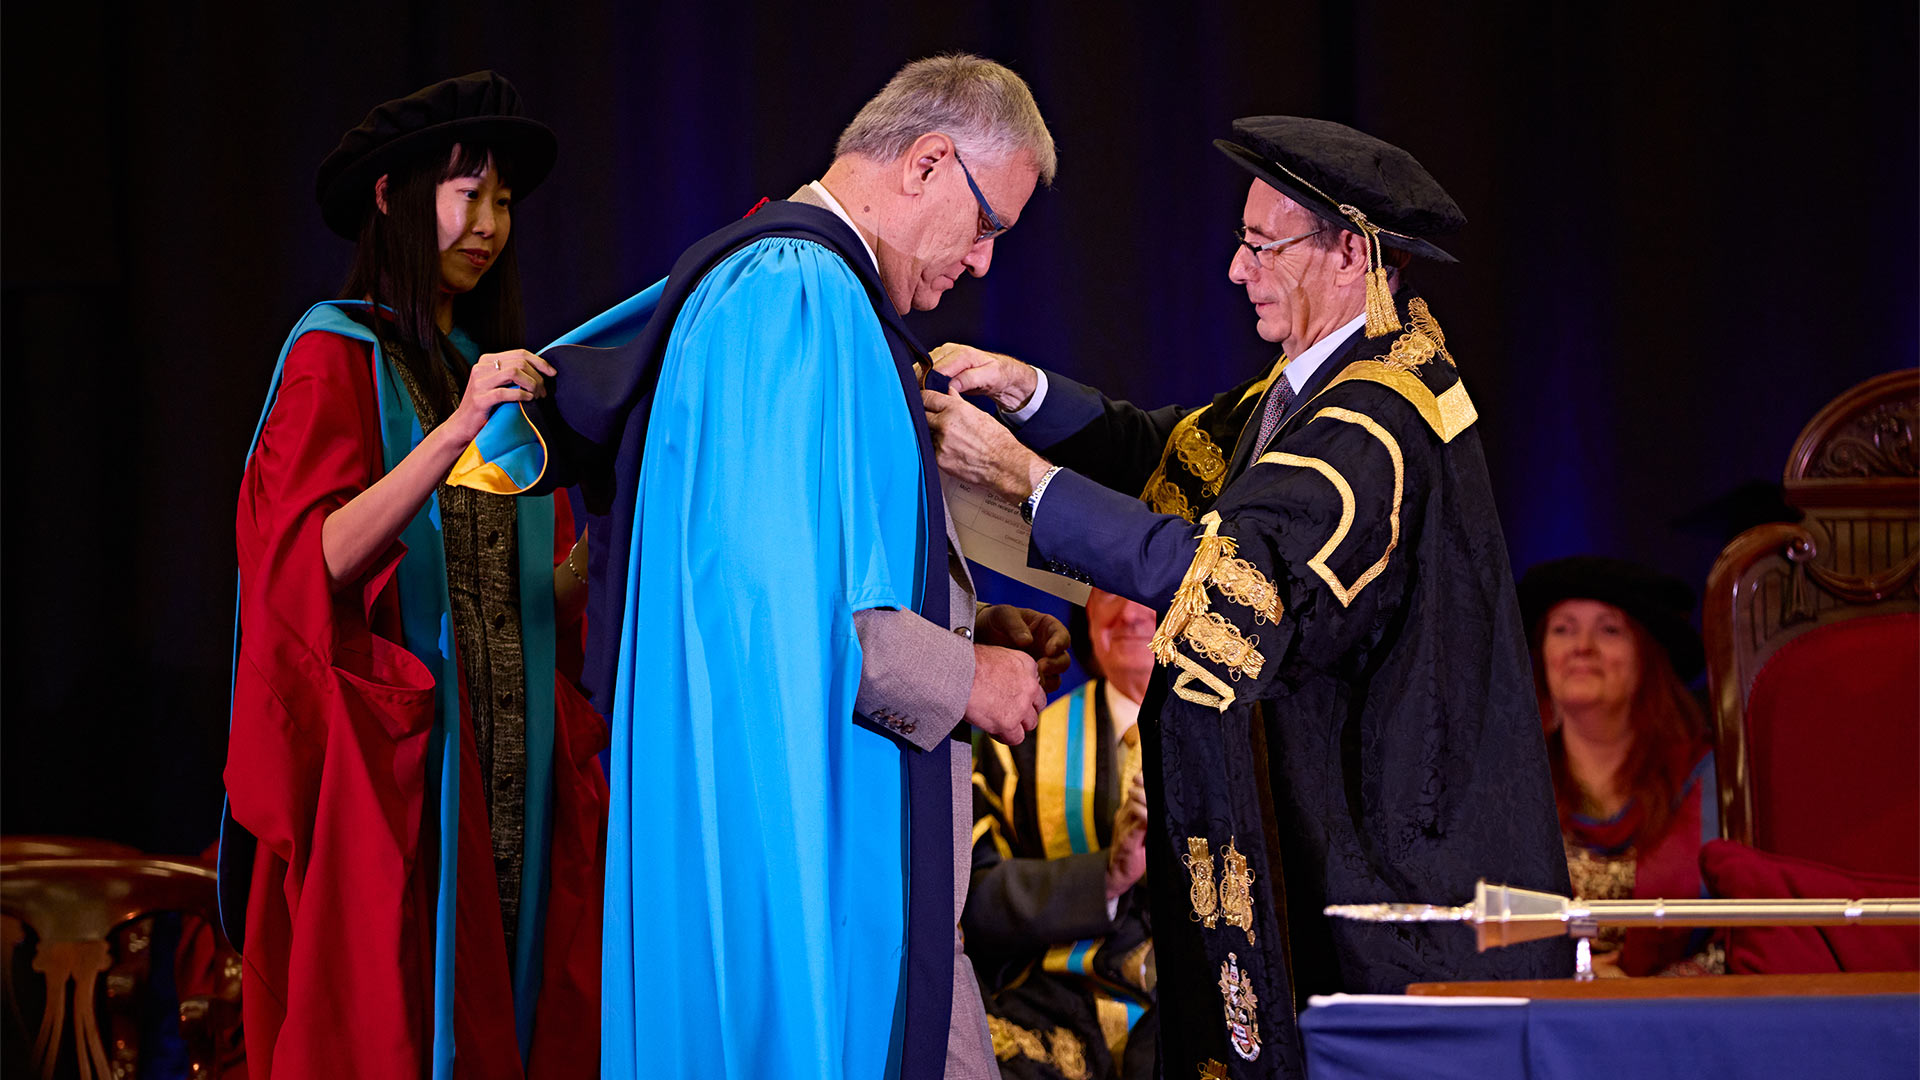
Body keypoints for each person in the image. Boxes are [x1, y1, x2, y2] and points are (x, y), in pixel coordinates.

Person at [444, 54, 1067, 1079]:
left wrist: (975, 631)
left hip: (812, 835)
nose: (986, 263)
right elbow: (772, 612)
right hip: (795, 872)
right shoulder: (793, 295)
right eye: (988, 223)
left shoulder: (808, 295)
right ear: (926, 162)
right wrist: (969, 680)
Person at [923, 116, 1573, 1077]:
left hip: (1383, 860)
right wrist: (1027, 395)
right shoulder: (1314, 386)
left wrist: (1025, 480)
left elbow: (1227, 576)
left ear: (1352, 252)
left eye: (1261, 246)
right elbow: (1165, 448)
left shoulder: (1377, 423)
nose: (1235, 271)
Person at [222, 72, 607, 1079]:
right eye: (467, 193)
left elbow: (530, 603)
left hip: (505, 771)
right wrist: (456, 431)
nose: (489, 224)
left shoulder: (482, 369)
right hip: (401, 776)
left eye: (505, 202)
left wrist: (600, 554)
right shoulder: (333, 353)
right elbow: (313, 564)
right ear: (392, 197)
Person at [966, 588, 1158, 1080]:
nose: (1130, 611)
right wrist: (1108, 877)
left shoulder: (1255, 743)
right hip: (1055, 1014)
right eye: (1109, 589)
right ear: (1089, 611)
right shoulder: (1016, 743)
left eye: (1148, 588)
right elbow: (973, 904)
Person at [1519, 555, 1723, 977]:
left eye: (1609, 630)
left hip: (1674, 1016)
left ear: (1647, 656)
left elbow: (1742, 935)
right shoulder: (1510, 782)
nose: (1582, 647)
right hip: (1538, 1009)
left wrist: (1643, 987)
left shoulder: (1710, 780)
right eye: (1563, 629)